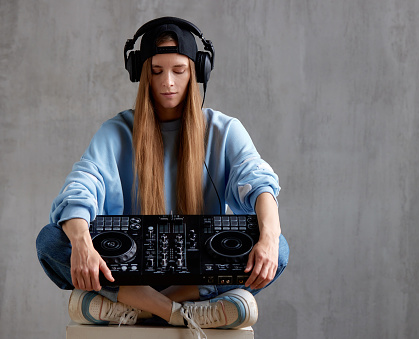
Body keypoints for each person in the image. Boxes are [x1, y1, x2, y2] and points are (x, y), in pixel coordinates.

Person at [35, 16, 289, 337]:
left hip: (195, 271)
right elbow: (81, 187)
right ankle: (179, 312)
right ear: (143, 75)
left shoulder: (225, 129)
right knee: (50, 241)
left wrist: (267, 239)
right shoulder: (116, 131)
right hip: (128, 269)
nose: (168, 81)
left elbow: (260, 184)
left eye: (179, 71)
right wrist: (83, 244)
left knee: (277, 250)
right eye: (157, 71)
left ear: (197, 71)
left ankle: (137, 306)